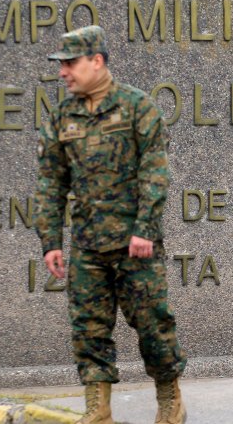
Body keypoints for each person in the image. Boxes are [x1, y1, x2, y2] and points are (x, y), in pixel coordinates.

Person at [34, 25, 186, 424]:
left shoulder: (138, 107)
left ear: (96, 61)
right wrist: (51, 240)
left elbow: (155, 173)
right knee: (89, 331)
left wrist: (145, 229)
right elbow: (51, 181)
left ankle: (170, 401)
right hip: (88, 247)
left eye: (69, 63)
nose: (62, 72)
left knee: (154, 326)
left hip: (136, 245)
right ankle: (97, 410)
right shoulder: (62, 117)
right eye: (60, 64)